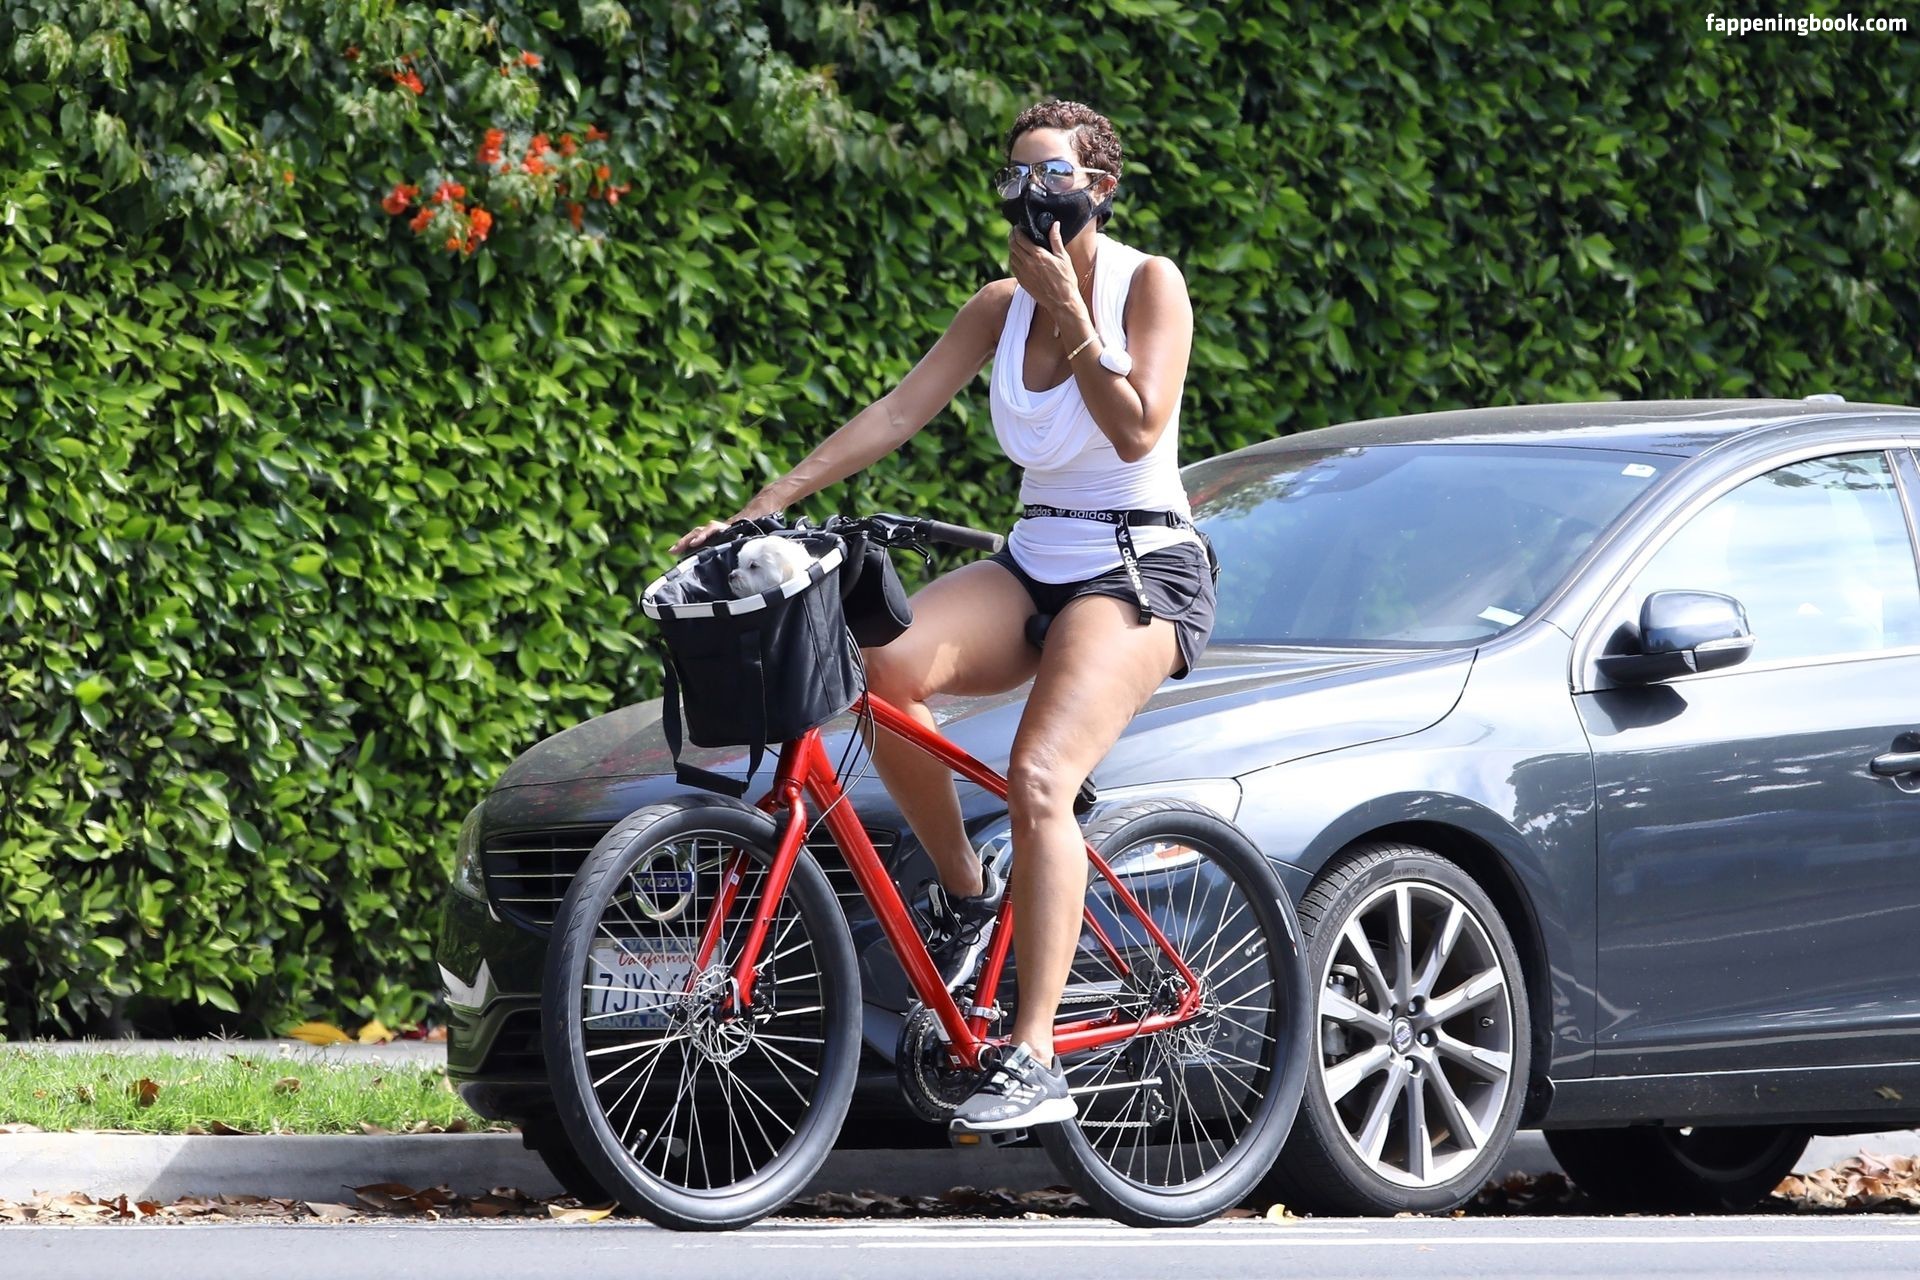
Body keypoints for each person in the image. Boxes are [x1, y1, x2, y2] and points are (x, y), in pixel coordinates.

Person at [669, 99, 1216, 1132]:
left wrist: (1073, 312)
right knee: (878, 666)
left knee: (1040, 778)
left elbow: (1138, 428)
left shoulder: (1148, 282)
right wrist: (761, 508)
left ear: (1100, 189)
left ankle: (1035, 1055)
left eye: (1054, 176)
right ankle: (969, 892)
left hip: (1141, 564)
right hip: (1036, 555)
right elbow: (895, 412)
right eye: (1017, 176)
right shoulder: (998, 306)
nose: (1032, 194)